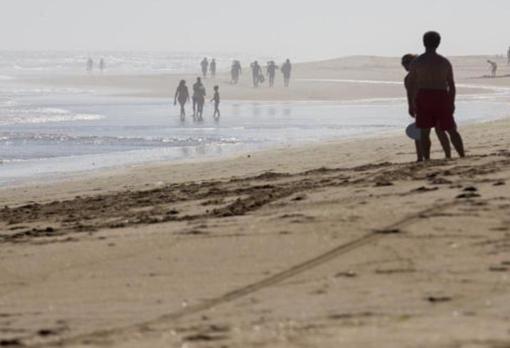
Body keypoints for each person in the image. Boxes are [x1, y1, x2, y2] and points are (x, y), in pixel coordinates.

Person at [407, 31, 465, 161]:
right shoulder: (444, 62)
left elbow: (410, 85)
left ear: (424, 42)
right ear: (438, 43)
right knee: (451, 129)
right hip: (441, 95)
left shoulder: (417, 62)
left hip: (424, 96)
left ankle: (427, 159)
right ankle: (462, 155)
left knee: (424, 131)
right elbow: (451, 85)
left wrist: (410, 103)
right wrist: (451, 102)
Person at [402, 54, 452, 162]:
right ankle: (422, 157)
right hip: (421, 107)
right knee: (420, 133)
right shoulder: (408, 78)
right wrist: (411, 106)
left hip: (433, 105)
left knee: (439, 131)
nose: (405, 67)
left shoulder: (424, 74)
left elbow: (443, 86)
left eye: (407, 63)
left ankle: (447, 155)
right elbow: (410, 93)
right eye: (404, 64)